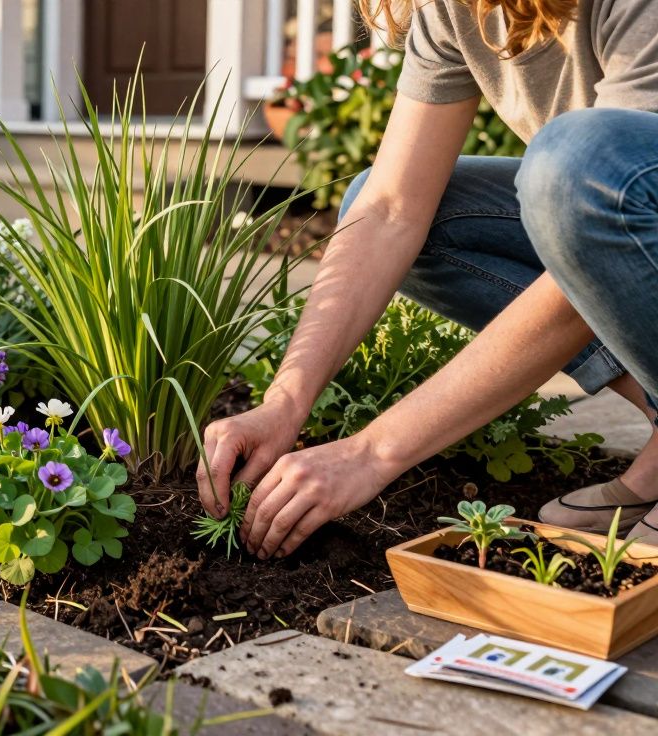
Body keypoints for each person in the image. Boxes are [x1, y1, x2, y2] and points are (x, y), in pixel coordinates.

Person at [197, 0, 658, 559]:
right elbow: (391, 211)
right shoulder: (456, 9)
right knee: (392, 206)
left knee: (577, 169)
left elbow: (594, 236)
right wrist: (285, 403)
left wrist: (372, 453)